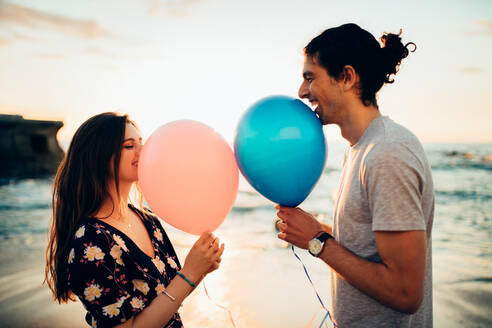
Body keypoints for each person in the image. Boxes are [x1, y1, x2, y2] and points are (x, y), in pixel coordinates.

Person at [275, 23, 434, 327]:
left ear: (346, 77)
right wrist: (315, 229)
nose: (301, 92)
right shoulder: (361, 149)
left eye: (310, 77)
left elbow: (405, 293)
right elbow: (368, 248)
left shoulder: (387, 153)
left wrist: (317, 241)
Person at [45, 112, 224, 327]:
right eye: (129, 146)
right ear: (98, 157)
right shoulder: (90, 241)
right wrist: (190, 273)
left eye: (142, 143)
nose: (144, 151)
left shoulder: (147, 219)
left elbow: (169, 293)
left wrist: (200, 267)